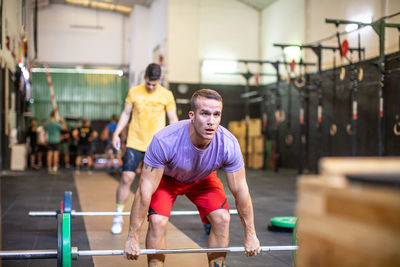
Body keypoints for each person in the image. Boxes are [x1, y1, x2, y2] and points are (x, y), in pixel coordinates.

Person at [124, 89, 260, 267]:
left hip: (203, 179)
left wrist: (250, 235)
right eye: (204, 114)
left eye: (216, 114)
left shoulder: (228, 144)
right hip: (167, 180)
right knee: (157, 221)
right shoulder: (165, 140)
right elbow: (144, 191)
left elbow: (241, 190)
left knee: (222, 218)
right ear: (192, 115)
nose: (211, 121)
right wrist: (133, 237)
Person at [111, 63, 178, 235]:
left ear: (159, 80)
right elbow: (126, 114)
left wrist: (177, 141)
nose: (150, 87)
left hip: (156, 145)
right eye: (148, 83)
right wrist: (116, 134)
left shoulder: (166, 95)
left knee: (151, 184)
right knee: (126, 178)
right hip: (135, 141)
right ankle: (118, 215)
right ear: (145, 78)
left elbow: (173, 119)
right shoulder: (134, 92)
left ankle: (153, 219)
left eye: (154, 84)